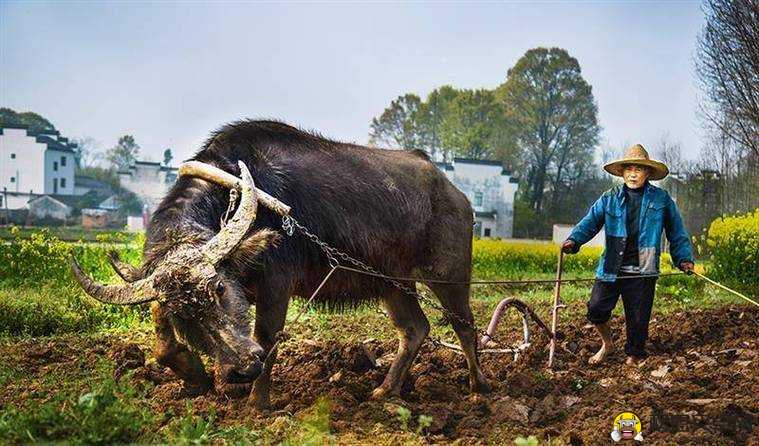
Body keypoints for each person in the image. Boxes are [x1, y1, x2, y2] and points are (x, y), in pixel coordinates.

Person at [561, 144, 695, 366]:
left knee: (638, 319)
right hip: (612, 267)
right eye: (629, 169)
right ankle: (607, 343)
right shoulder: (609, 198)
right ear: (622, 172)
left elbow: (677, 232)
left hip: (644, 269)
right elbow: (590, 222)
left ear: (648, 173)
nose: (633, 174)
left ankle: (634, 357)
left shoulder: (661, 200)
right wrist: (574, 240)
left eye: (639, 169)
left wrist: (684, 259)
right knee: (596, 309)